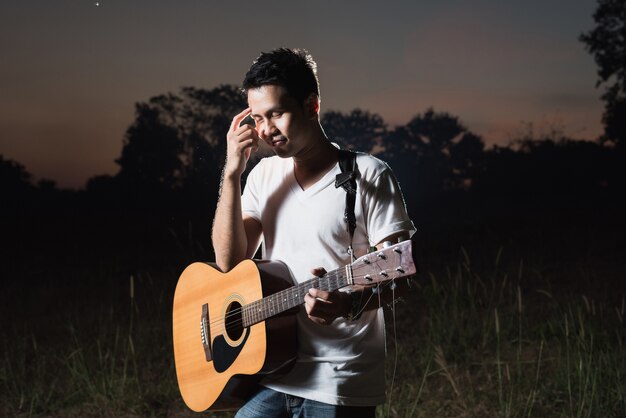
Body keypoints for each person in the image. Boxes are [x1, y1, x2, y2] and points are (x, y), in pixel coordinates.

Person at [211, 48, 416, 418]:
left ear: (312, 105)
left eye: (276, 113)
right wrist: (231, 174)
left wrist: (348, 304)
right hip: (276, 370)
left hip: (339, 379)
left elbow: (398, 275)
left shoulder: (368, 175)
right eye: (257, 118)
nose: (265, 129)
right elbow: (228, 263)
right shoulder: (262, 177)